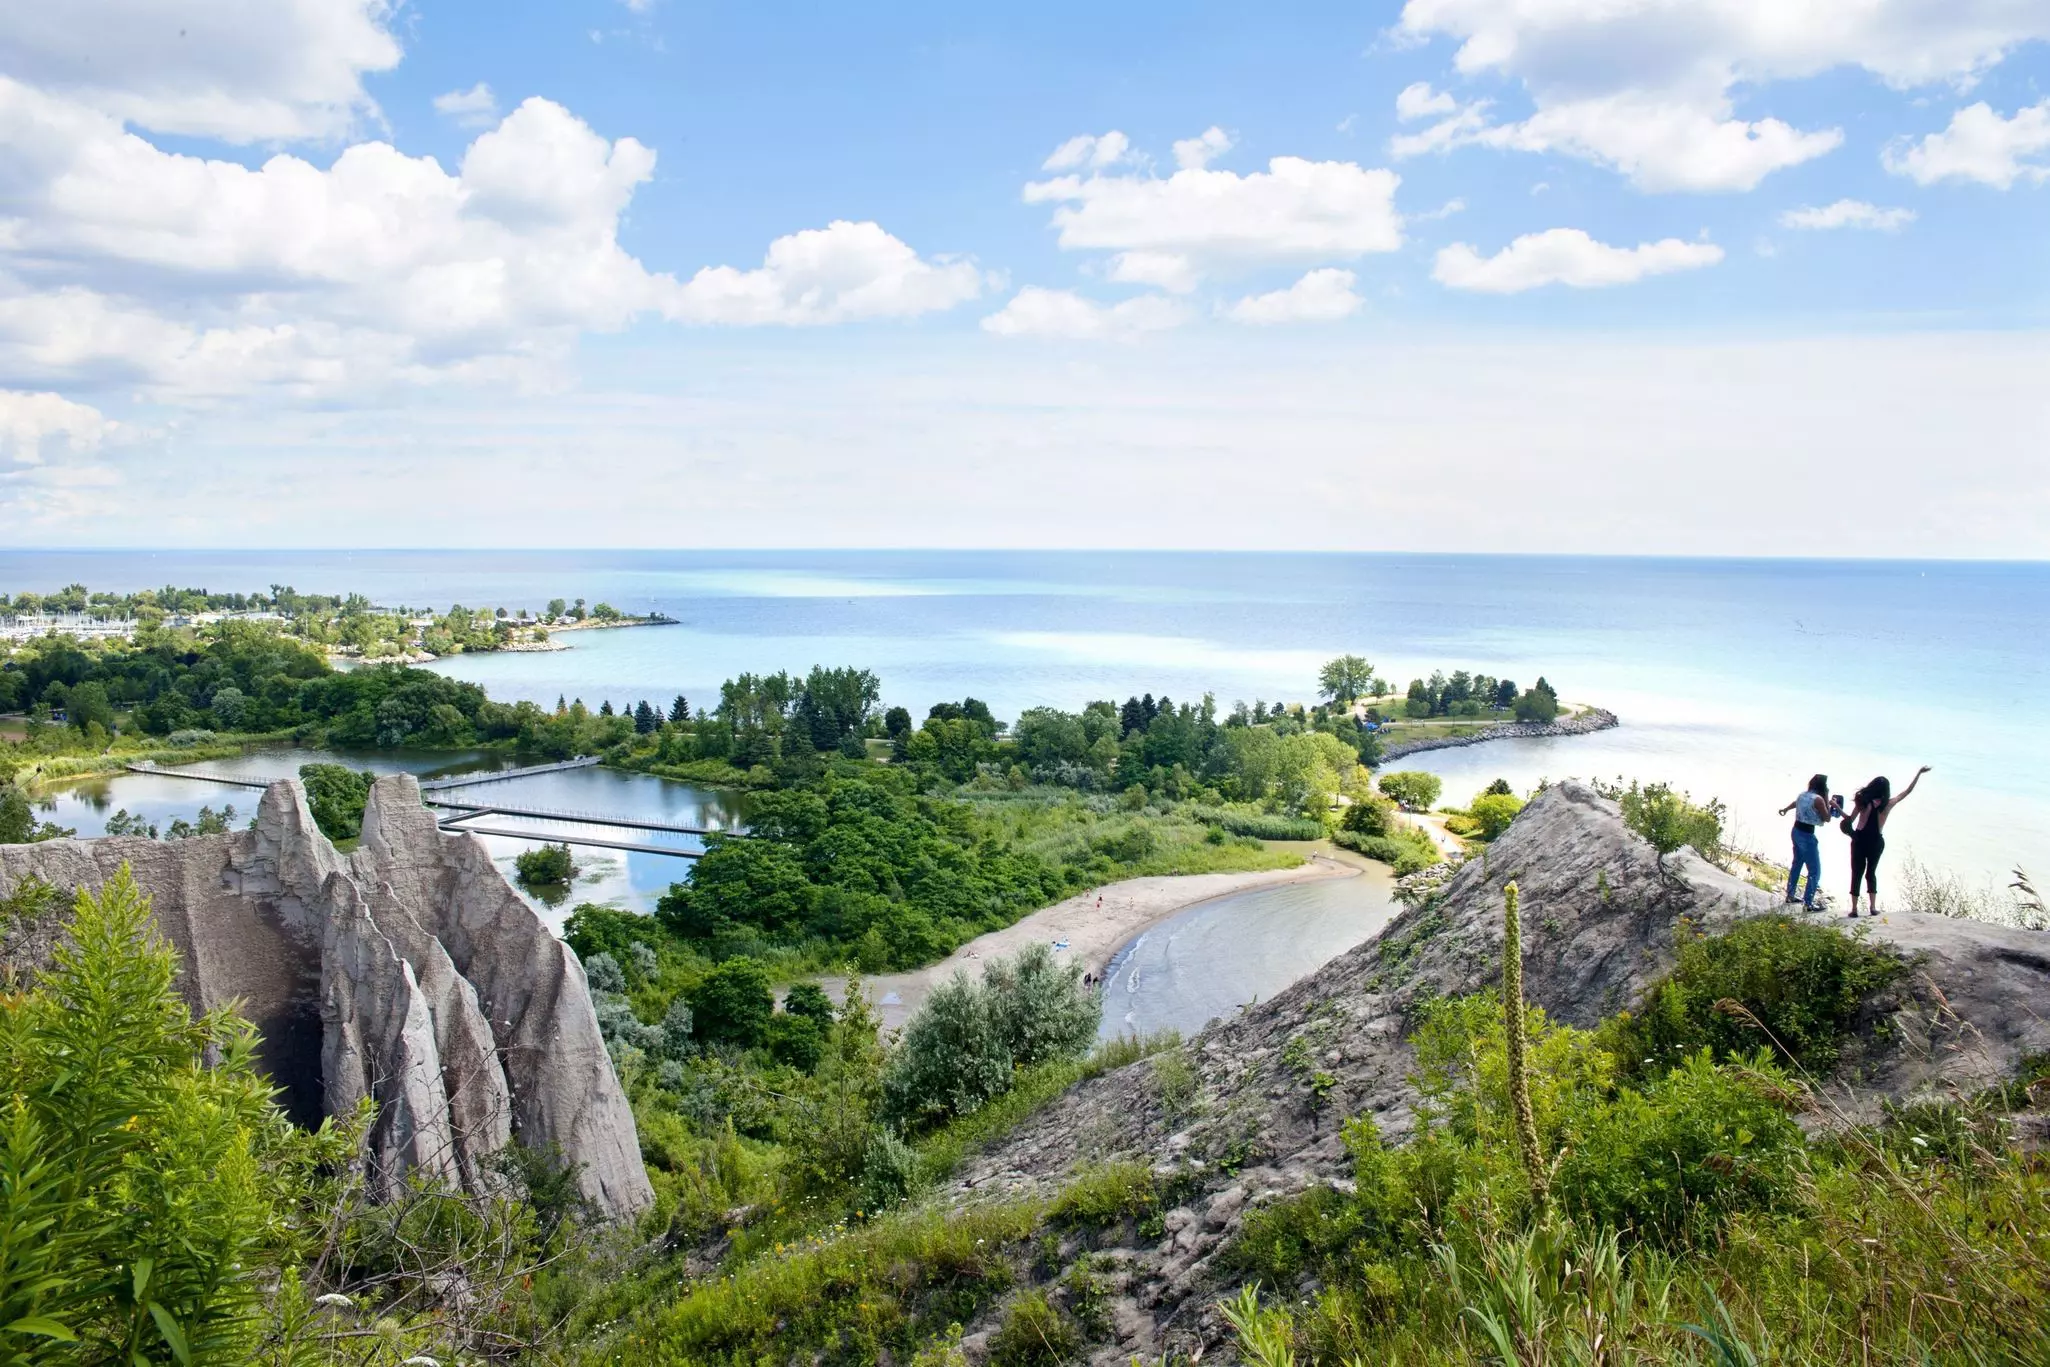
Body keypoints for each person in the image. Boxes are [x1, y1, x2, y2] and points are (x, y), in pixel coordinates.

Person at [1846, 766, 1931, 918]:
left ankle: (1854, 909)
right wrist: (1918, 773)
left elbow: (1849, 821)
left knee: (1856, 873)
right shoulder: (1888, 804)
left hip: (1859, 840)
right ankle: (1872, 907)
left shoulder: (1862, 802)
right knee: (1871, 873)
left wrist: (1837, 808)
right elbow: (1907, 792)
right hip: (1876, 842)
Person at [1776, 774, 1831, 909]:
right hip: (1807, 834)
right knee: (1815, 870)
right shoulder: (1819, 800)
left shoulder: (1803, 795)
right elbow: (1827, 817)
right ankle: (1808, 903)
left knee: (1797, 864)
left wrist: (1786, 809)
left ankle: (1790, 895)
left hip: (1796, 831)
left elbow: (1796, 803)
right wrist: (1827, 797)